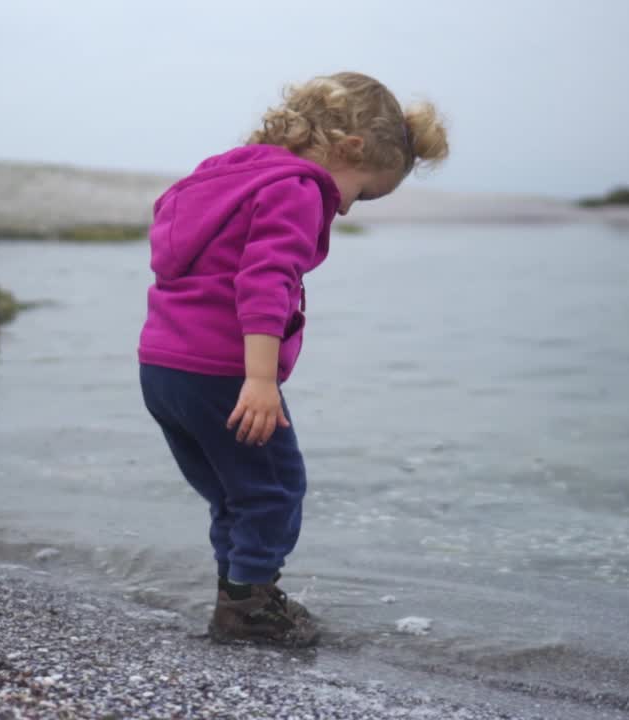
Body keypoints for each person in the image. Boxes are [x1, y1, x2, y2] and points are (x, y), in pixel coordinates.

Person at [138, 71, 449, 647]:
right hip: (222, 371)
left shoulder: (220, 173)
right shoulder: (299, 187)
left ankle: (239, 594)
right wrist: (259, 380)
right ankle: (248, 607)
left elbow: (173, 246)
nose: (348, 210)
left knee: (235, 490)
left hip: (161, 367)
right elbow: (266, 280)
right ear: (348, 149)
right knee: (275, 489)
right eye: (365, 193)